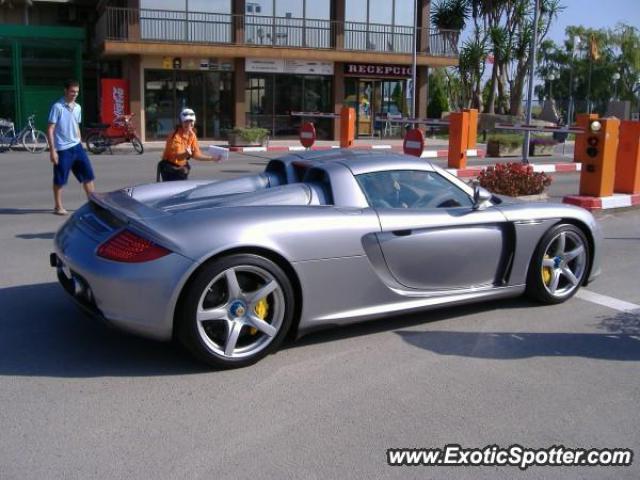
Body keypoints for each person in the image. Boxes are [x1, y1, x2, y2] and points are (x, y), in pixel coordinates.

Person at [47, 79, 95, 215]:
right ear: (66, 91)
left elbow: (76, 126)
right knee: (60, 179)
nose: (75, 94)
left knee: (88, 176)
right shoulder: (57, 107)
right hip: (62, 149)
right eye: (72, 91)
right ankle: (58, 206)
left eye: (77, 92)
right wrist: (53, 151)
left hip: (77, 147)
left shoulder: (78, 107)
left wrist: (80, 142)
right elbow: (50, 129)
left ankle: (93, 203)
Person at [157, 108, 223, 181]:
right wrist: (186, 153)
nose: (188, 124)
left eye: (191, 121)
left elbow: (196, 155)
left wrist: (212, 158)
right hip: (170, 168)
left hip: (182, 169)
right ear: (181, 123)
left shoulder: (192, 135)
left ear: (194, 122)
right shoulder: (175, 136)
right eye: (185, 121)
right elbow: (178, 156)